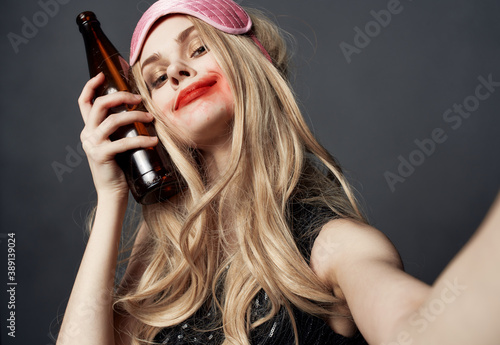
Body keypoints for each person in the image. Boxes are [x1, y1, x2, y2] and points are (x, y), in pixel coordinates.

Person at [57, 0, 500, 344]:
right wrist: (113, 194)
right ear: (149, 117)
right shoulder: (162, 260)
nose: (175, 70)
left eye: (199, 47)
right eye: (155, 78)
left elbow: (420, 328)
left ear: (250, 62)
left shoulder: (336, 247)